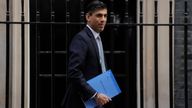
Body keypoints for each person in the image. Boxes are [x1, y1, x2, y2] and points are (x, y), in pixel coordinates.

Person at [61, 0, 111, 108]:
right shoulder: (81, 39)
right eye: (99, 15)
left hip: (96, 101)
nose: (103, 19)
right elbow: (74, 72)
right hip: (81, 101)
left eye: (105, 16)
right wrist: (95, 94)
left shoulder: (97, 37)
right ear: (88, 17)